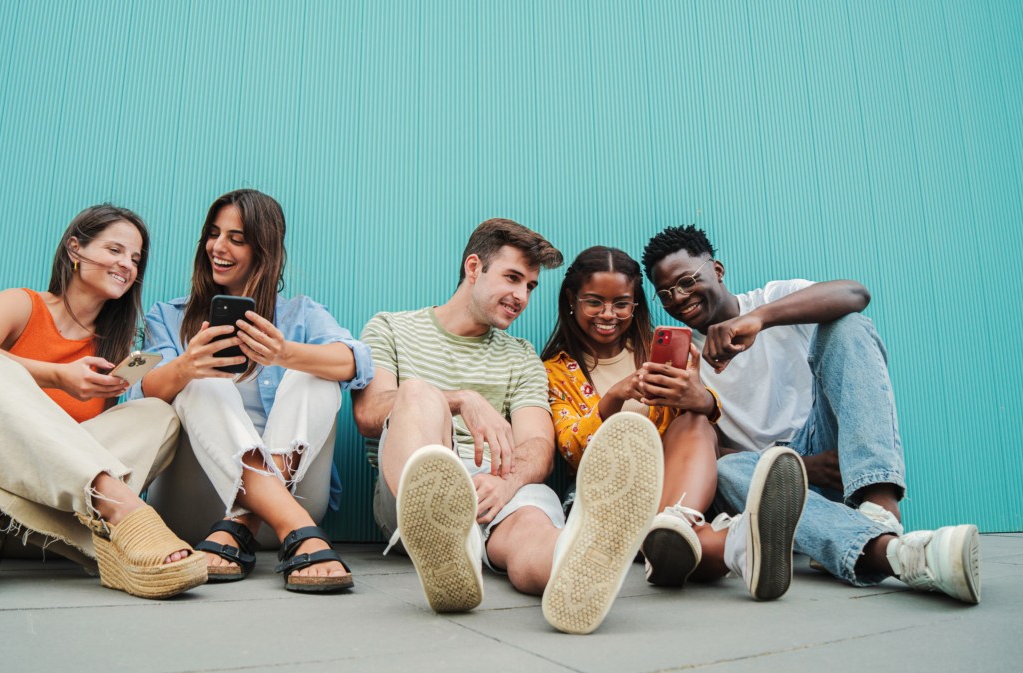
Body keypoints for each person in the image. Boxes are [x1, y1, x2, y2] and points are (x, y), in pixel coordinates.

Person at [641, 224, 981, 604]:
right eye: (666, 293)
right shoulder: (682, 363)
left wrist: (759, 319)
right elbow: (700, 459)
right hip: (767, 488)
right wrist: (804, 467)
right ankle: (894, 553)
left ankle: (881, 510)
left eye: (687, 281)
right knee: (725, 471)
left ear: (716, 270)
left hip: (837, 456)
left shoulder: (774, 300)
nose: (679, 297)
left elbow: (855, 293)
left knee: (846, 324)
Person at [352, 218, 662, 635]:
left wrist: (506, 484)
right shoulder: (391, 327)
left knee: (533, 527)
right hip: (414, 487)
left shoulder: (521, 356)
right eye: (513, 278)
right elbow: (370, 413)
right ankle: (448, 529)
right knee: (418, 393)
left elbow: (537, 443)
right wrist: (462, 399)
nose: (521, 297)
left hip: (497, 485)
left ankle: (575, 560)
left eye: (530, 286)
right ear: (474, 267)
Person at [0, 204, 207, 600]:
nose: (127, 265)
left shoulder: (116, 348)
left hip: (29, 531)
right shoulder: (22, 305)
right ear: (75, 249)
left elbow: (63, 456)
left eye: (136, 259)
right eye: (115, 250)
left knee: (157, 414)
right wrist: (58, 376)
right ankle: (123, 510)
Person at [131, 189, 372, 593]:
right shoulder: (168, 316)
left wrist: (284, 352)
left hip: (273, 506)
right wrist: (188, 367)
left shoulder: (302, 314)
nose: (217, 247)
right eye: (213, 234)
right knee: (200, 376)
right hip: (198, 504)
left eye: (236, 238)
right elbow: (143, 393)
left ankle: (245, 517)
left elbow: (357, 362)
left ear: (264, 249)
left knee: (315, 371)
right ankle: (294, 526)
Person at [540, 246, 807, 600]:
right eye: (594, 302)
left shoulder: (658, 352)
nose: (609, 314)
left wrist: (700, 397)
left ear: (635, 304)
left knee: (696, 421)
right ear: (572, 300)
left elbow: (706, 424)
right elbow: (573, 450)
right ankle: (738, 544)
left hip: (674, 489)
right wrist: (617, 396)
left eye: (622, 303)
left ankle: (675, 524)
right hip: (606, 497)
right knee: (686, 537)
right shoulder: (555, 371)